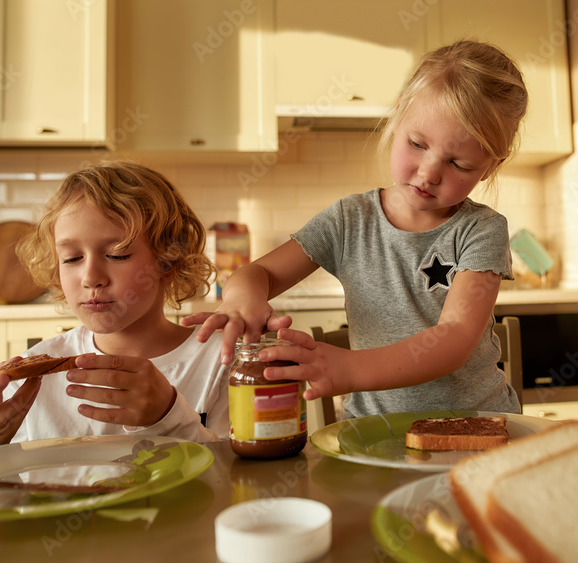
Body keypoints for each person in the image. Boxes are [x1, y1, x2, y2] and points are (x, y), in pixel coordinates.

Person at [184, 40, 526, 418]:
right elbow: (258, 273)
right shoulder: (349, 220)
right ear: (398, 116)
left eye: (459, 164)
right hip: (372, 432)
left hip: (478, 425)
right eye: (416, 143)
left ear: (490, 167)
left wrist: (349, 368)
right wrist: (240, 299)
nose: (429, 173)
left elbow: (455, 338)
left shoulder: (481, 230)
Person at [0, 161, 227, 453]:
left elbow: (241, 483)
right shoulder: (30, 378)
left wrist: (170, 418)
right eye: (71, 258)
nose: (90, 277)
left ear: (168, 259)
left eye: (117, 254)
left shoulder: (222, 362)